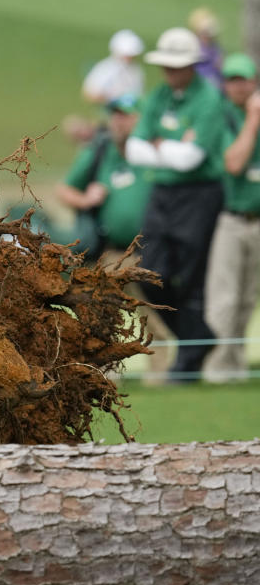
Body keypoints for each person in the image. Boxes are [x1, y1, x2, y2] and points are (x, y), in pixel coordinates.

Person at [125, 27, 226, 381]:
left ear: (191, 66)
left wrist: (157, 146)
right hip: (163, 195)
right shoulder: (157, 97)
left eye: (176, 65)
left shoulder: (209, 99)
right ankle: (198, 338)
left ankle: (188, 360)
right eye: (166, 65)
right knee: (149, 273)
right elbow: (134, 149)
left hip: (200, 194)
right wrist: (169, 147)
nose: (170, 72)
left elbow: (192, 158)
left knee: (189, 275)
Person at [55, 94, 172, 382]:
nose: (119, 121)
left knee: (152, 316)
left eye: (126, 115)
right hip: (110, 252)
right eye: (115, 115)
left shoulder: (153, 153)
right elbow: (65, 189)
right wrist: (85, 200)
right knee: (103, 315)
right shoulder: (100, 151)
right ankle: (106, 375)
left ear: (140, 119)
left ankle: (162, 376)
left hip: (150, 251)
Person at [203, 54, 260, 383]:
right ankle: (219, 370)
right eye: (233, 80)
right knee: (224, 297)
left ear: (254, 82)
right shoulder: (224, 118)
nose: (238, 86)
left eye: (244, 80)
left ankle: (236, 367)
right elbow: (234, 163)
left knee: (248, 298)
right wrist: (253, 120)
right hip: (233, 219)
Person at [82, 29, 145, 105]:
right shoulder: (106, 68)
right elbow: (89, 93)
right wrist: (112, 100)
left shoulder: (136, 70)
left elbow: (138, 94)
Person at [189, 7, 223, 90]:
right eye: (204, 33)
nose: (208, 36)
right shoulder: (194, 48)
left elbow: (220, 66)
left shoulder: (215, 47)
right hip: (202, 85)